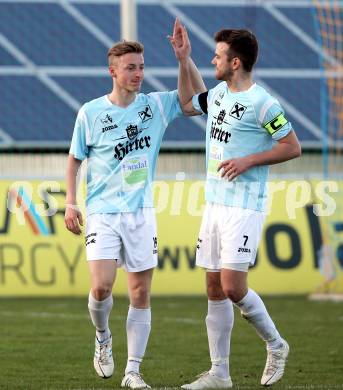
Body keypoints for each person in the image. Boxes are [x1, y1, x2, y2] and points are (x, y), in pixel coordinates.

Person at [65, 25, 206, 389]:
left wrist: (184, 58)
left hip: (141, 214)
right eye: (131, 67)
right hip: (102, 213)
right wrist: (69, 202)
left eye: (141, 66)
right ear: (113, 71)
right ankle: (102, 338)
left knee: (141, 293)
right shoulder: (91, 112)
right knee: (101, 288)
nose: (138, 73)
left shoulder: (155, 106)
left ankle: (133, 371)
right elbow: (74, 160)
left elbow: (198, 101)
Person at [170, 25, 301, 388]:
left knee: (232, 287)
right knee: (213, 287)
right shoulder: (221, 95)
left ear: (236, 61)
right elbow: (189, 101)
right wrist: (185, 59)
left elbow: (291, 146)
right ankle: (219, 373)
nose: (214, 60)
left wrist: (249, 161)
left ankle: (276, 344)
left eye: (218, 55)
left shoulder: (263, 103)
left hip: (244, 205)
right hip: (215, 203)